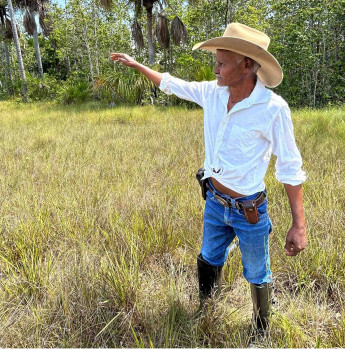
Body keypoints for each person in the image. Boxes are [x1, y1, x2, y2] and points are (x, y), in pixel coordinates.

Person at [111, 23, 307, 341]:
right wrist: (137, 65)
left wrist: (299, 224)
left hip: (250, 211)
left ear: (246, 65)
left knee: (257, 271)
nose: (215, 68)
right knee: (209, 256)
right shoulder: (212, 95)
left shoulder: (272, 110)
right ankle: (208, 311)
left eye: (221, 62)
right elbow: (171, 84)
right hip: (215, 203)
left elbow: (290, 168)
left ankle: (261, 328)